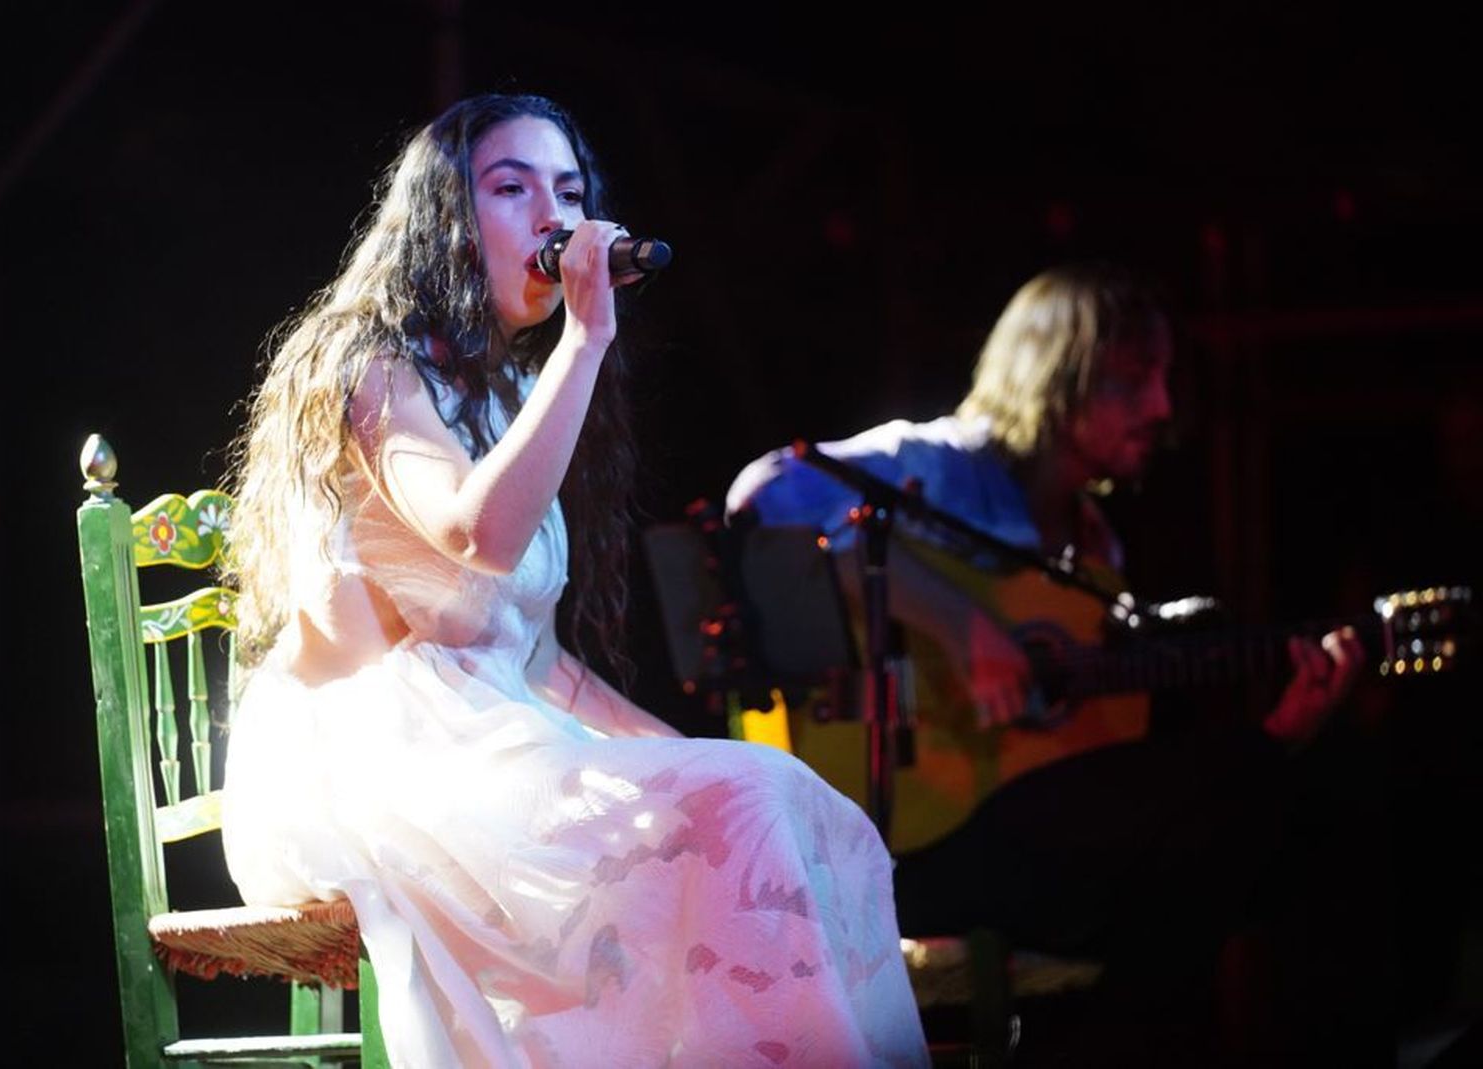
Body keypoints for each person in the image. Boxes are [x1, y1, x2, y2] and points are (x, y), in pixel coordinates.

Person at [218, 93, 928, 1068]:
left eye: (568, 190)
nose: (552, 216)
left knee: (784, 799)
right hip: (366, 758)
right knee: (729, 814)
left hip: (484, 743)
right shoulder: (367, 367)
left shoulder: (507, 389)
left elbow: (536, 658)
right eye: (511, 188)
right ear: (442, 218)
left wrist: (690, 757)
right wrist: (584, 341)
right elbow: (477, 534)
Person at [727, 263, 1383, 1065]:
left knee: (1267, 837)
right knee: (1218, 828)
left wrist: (1279, 733)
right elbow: (765, 497)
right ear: (1063, 375)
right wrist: (964, 622)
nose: (1164, 408)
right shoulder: (944, 463)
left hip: (1027, 837)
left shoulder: (1095, 541)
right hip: (902, 836)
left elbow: (1087, 753)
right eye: (1136, 381)